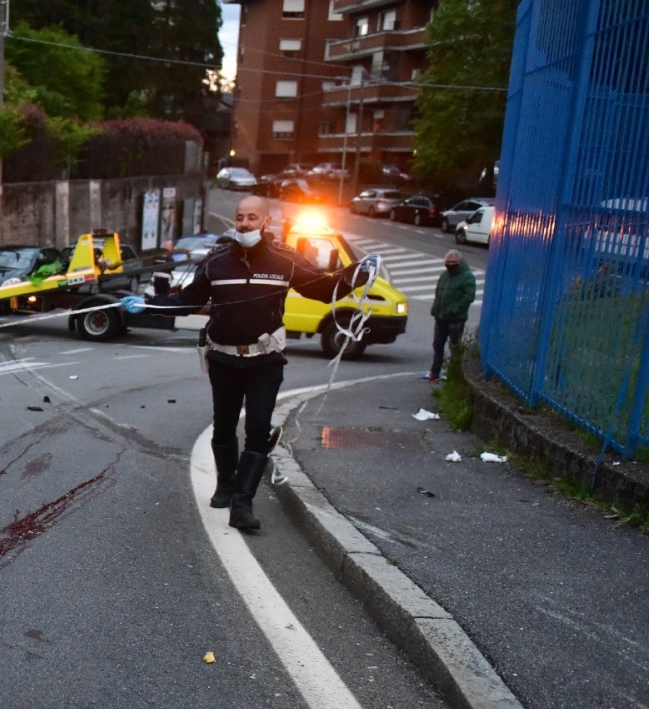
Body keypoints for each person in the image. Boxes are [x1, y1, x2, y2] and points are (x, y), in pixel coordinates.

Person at [125, 195, 377, 532]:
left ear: (266, 222)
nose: (244, 224)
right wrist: (148, 305)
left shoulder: (286, 261)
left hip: (265, 362)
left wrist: (355, 275)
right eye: (240, 217)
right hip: (223, 359)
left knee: (258, 429)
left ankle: (243, 503)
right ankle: (225, 486)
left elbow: (322, 287)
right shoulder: (216, 262)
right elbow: (188, 301)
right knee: (224, 426)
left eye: (252, 218)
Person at [426, 250, 476, 383]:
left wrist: (455, 310)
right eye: (447, 263)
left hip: (455, 319)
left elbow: (469, 297)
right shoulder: (444, 276)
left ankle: (453, 375)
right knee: (437, 345)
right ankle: (434, 372)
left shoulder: (467, 277)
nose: (449, 265)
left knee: (455, 347)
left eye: (452, 263)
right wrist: (436, 308)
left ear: (459, 263)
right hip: (441, 317)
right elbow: (438, 292)